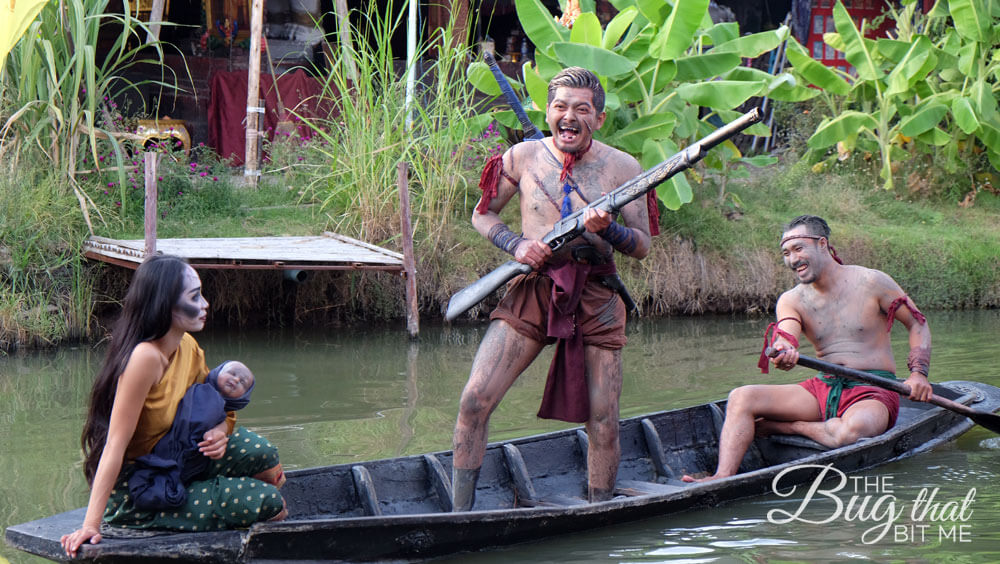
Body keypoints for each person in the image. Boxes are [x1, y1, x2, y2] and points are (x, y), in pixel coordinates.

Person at [451, 67, 655, 509]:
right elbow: (482, 214)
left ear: (598, 118)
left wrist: (610, 232)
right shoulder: (522, 156)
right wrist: (516, 244)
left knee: (602, 421)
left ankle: (599, 511)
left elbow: (642, 246)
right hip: (534, 287)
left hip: (597, 296)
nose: (569, 116)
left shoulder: (624, 167)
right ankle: (458, 513)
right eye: (560, 107)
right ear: (548, 111)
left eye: (582, 109)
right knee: (473, 400)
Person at [61, 256, 287, 558]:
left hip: (182, 459)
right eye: (194, 297)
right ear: (164, 305)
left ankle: (208, 497)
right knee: (269, 504)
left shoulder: (187, 346)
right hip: (141, 488)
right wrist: (92, 523)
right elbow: (115, 443)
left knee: (265, 456)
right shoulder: (145, 358)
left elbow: (215, 405)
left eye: (201, 293)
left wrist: (220, 432)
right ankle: (153, 515)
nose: (205, 304)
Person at [684, 215, 933, 483]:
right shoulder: (792, 299)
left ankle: (787, 427)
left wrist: (918, 373)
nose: (793, 260)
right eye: (786, 253)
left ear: (822, 244)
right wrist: (783, 350)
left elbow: (918, 324)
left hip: (872, 391)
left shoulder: (872, 282)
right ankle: (722, 477)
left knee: (849, 434)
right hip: (822, 389)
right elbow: (786, 335)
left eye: (799, 248)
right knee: (741, 397)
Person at [127, 361, 257, 510]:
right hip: (169, 451)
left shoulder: (224, 412)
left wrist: (220, 429)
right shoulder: (199, 389)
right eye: (232, 374)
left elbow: (226, 420)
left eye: (242, 382)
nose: (235, 380)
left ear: (244, 396)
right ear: (216, 372)